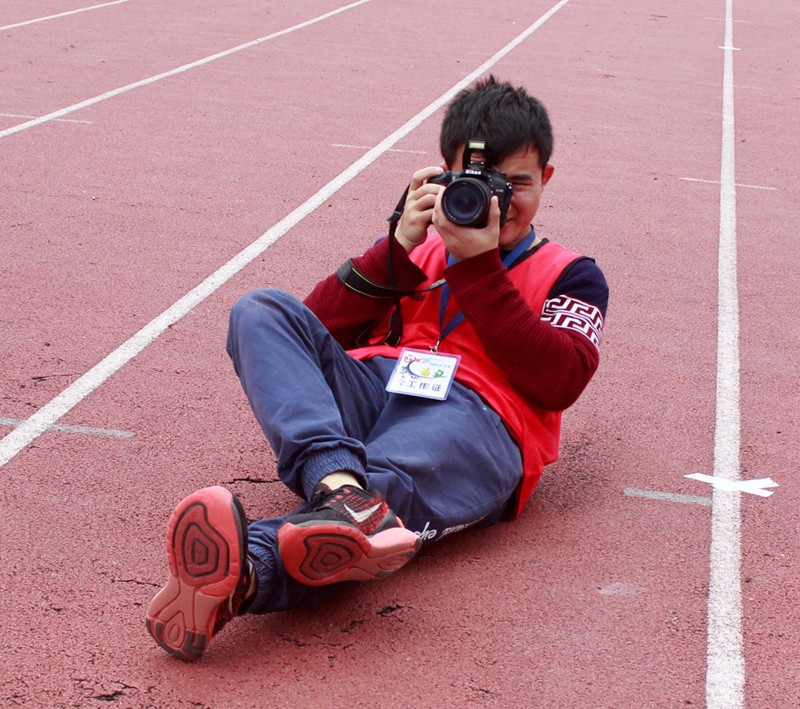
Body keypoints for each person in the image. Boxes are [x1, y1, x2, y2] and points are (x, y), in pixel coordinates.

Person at [146, 75, 609, 661]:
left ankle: (250, 572)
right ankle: (340, 486)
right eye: (479, 185)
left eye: (516, 183)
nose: (498, 203)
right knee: (261, 309)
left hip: (479, 419)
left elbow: (560, 381)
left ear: (546, 179)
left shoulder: (574, 274)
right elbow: (311, 336)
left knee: (392, 474)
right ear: (443, 176)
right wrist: (392, 252)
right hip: (376, 387)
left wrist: (478, 267)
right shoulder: (415, 247)